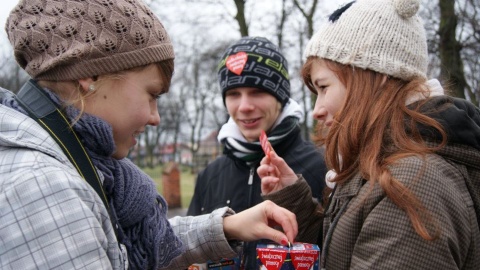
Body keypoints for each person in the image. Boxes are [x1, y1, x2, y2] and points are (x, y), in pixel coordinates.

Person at [0, 1, 298, 269]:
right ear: (90, 78)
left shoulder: (85, 167)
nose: (155, 117)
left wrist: (227, 226)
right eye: (151, 94)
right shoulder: (45, 189)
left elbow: (130, 244)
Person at [257, 0, 480, 269]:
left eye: (324, 87)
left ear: (377, 76)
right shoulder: (384, 162)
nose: (317, 110)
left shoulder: (409, 184)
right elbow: (345, 251)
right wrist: (292, 199)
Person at [187, 36, 327, 268]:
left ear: (280, 98)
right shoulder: (210, 176)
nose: (244, 106)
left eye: (257, 92)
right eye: (233, 94)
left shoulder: (321, 167)